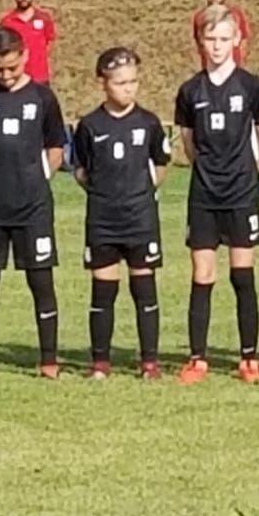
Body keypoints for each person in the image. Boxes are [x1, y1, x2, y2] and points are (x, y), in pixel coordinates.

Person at [174, 3, 259, 382]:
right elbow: (188, 140)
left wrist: (254, 165)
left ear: (237, 40)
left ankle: (249, 358)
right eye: (210, 38)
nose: (216, 46)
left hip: (241, 193)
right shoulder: (190, 90)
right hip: (204, 194)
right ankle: (197, 358)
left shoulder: (250, 85)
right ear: (200, 42)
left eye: (223, 38)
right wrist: (206, 168)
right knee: (202, 274)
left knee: (242, 274)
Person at [0, 27, 68, 379]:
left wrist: (35, 180)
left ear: (24, 56)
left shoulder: (43, 98)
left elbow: (55, 148)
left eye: (12, 67)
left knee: (41, 283)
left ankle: (49, 361)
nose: (6, 75)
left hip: (33, 208)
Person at [71, 47, 171, 379]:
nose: (128, 89)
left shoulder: (149, 122)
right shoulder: (90, 125)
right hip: (103, 220)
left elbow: (160, 165)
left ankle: (149, 362)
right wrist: (105, 194)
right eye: (120, 83)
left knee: (144, 289)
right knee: (103, 291)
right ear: (103, 83)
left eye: (133, 82)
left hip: (140, 219)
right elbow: (81, 170)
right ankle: (100, 362)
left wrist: (140, 192)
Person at [0, 0, 58, 84]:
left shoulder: (43, 18)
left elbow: (50, 41)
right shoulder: (7, 21)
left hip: (40, 77)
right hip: (17, 77)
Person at [191, 0, 251, 68]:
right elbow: (199, 42)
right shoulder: (200, 17)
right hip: (209, 66)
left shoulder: (235, 14)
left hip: (233, 65)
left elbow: (243, 39)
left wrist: (239, 59)